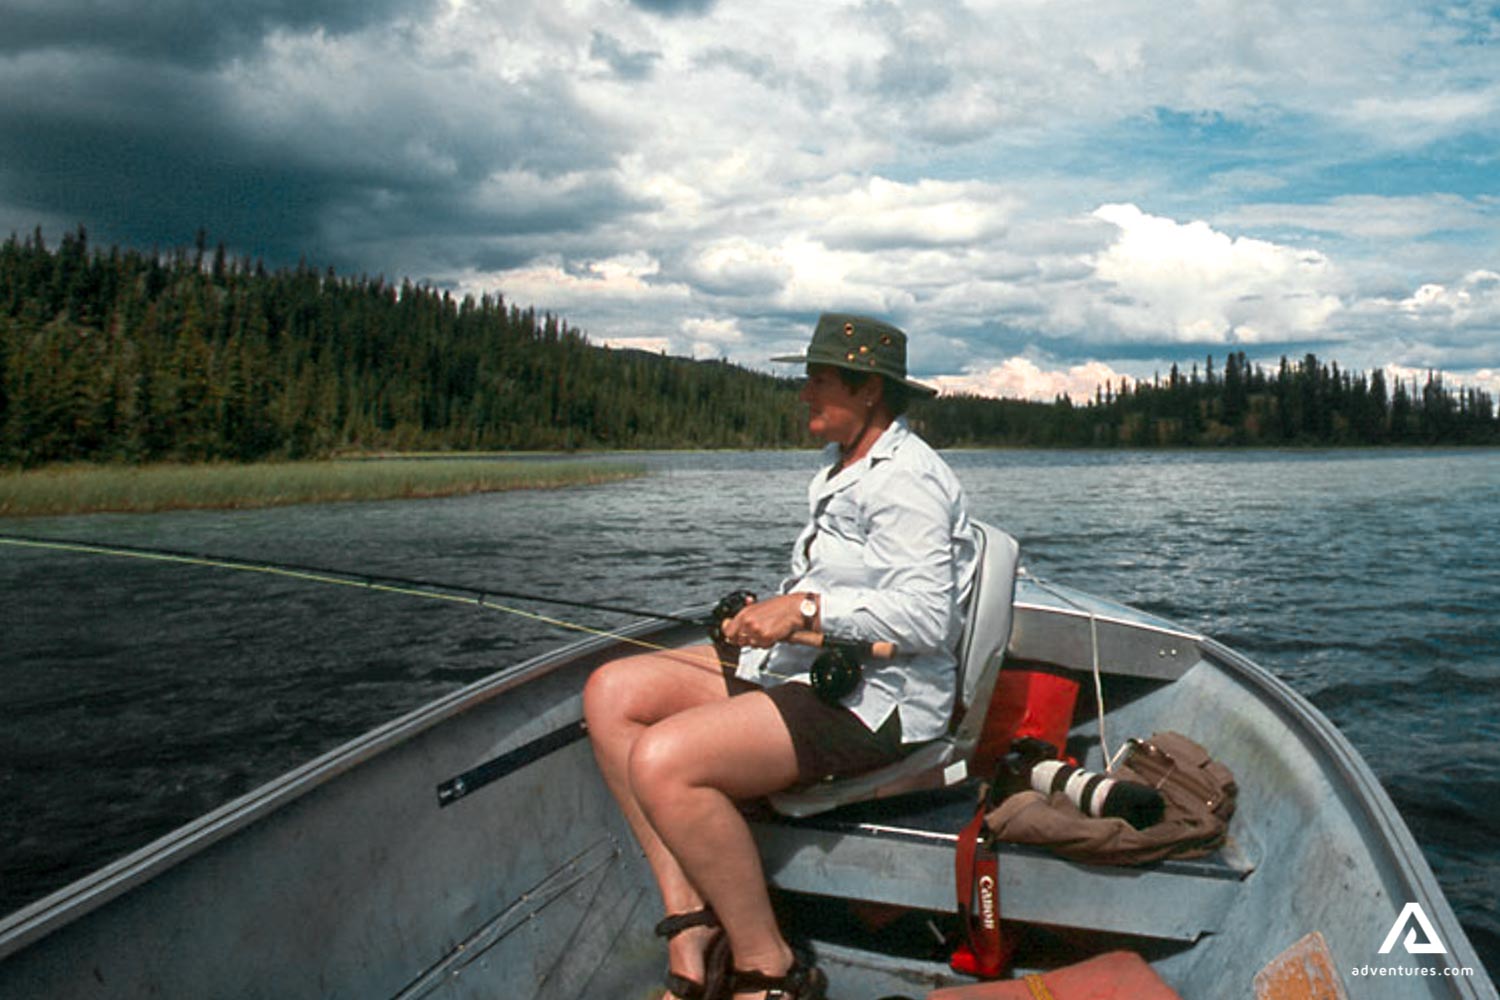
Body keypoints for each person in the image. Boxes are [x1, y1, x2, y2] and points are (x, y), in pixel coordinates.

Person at [583, 313, 978, 1000]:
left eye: (818, 382)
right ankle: (692, 922)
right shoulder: (847, 467)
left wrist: (801, 611)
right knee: (612, 692)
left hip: (878, 705)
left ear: (868, 393)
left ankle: (768, 966)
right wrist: (771, 616)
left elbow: (926, 617)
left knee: (663, 762)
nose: (804, 395)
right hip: (812, 673)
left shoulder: (906, 480)